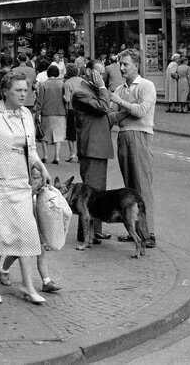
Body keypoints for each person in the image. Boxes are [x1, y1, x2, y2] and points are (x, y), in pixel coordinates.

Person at [0, 71, 52, 305]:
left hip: (20, 182)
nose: (24, 94)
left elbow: (31, 148)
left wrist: (40, 166)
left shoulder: (26, 114)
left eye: (26, 90)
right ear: (5, 91)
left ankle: (27, 284)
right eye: (18, 90)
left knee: (27, 233)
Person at [109, 49, 158, 248]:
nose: (121, 68)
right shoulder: (121, 88)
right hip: (123, 136)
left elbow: (140, 111)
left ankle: (149, 233)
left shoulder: (146, 86)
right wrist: (127, 109)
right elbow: (114, 117)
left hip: (140, 136)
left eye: (126, 64)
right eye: (120, 64)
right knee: (129, 189)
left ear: (136, 65)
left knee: (142, 186)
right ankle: (135, 231)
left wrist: (122, 104)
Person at [72, 60, 114, 244]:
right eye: (98, 73)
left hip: (98, 148)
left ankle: (95, 230)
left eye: (103, 74)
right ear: (88, 72)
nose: (101, 77)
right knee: (90, 193)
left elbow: (106, 113)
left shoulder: (92, 91)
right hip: (91, 148)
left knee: (98, 192)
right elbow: (103, 108)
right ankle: (86, 232)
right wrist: (103, 87)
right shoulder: (81, 92)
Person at [34, 65, 66, 164]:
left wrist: (37, 114)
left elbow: (40, 101)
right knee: (58, 136)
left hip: (46, 112)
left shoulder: (43, 85)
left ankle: (45, 155)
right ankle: (56, 156)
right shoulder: (62, 84)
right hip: (60, 112)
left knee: (44, 136)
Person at [63, 63, 82, 162]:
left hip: (71, 109)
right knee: (81, 132)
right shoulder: (83, 81)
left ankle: (72, 153)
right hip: (83, 109)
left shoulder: (67, 83)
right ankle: (80, 154)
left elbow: (67, 98)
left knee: (71, 132)